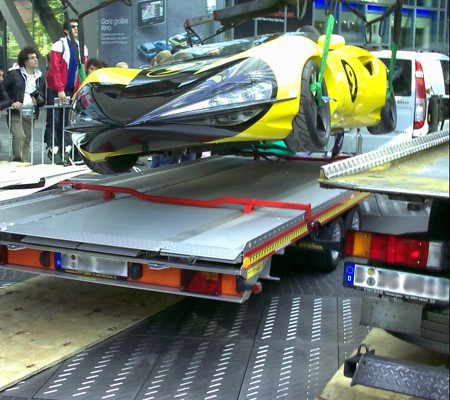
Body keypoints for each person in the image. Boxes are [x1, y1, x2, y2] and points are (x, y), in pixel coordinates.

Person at [45, 18, 88, 163]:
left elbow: (82, 71)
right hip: (56, 89)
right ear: (66, 29)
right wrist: (59, 89)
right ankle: (53, 147)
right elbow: (55, 69)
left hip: (71, 90)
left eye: (77, 27)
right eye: (73, 27)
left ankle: (65, 149)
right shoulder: (58, 45)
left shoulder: (82, 48)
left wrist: (79, 90)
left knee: (67, 120)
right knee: (54, 119)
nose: (76, 29)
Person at [2, 47, 45, 162]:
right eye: (32, 58)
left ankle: (24, 163)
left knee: (27, 140)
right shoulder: (14, 74)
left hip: (30, 112)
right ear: (25, 61)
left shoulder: (40, 77)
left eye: (36, 57)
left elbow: (42, 95)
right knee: (19, 136)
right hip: (14, 111)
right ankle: (17, 161)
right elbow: (2, 90)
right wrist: (11, 102)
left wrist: (39, 102)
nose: (36, 60)